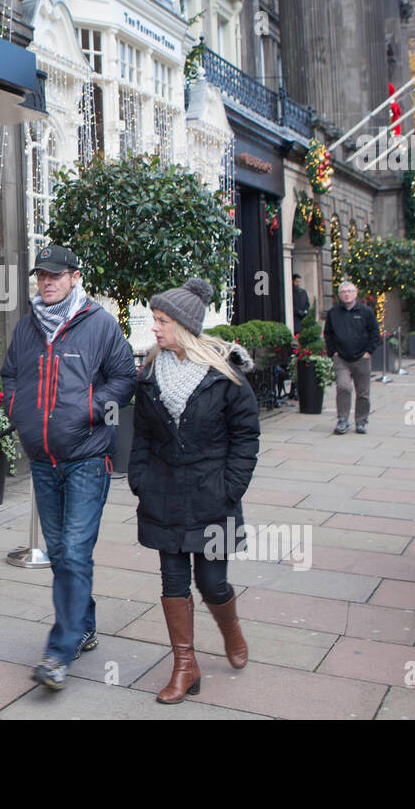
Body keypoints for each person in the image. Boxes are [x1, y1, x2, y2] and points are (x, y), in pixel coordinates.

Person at [0, 244, 138, 690]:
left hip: (87, 459)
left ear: (75, 277)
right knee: (62, 554)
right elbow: (9, 375)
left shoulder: (99, 325)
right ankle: (85, 625)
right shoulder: (26, 328)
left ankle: (59, 653)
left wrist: (91, 411)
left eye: (55, 275)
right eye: (41, 275)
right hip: (43, 460)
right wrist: (16, 408)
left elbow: (125, 379)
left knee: (74, 552)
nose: (47, 282)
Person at [128, 279, 260, 703]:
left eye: (162, 321)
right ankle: (185, 666)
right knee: (172, 580)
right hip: (162, 493)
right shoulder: (149, 373)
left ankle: (231, 632)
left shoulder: (225, 375)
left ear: (184, 326)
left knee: (212, 582)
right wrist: (140, 479)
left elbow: (246, 437)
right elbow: (143, 435)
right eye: (155, 320)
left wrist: (231, 486)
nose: (155, 328)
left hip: (212, 494)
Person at [323, 281, 381, 434]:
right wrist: (333, 352)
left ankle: (361, 421)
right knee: (343, 387)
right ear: (339, 295)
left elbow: (375, 333)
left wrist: (368, 352)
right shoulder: (333, 313)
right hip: (341, 358)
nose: (346, 294)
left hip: (362, 358)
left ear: (355, 294)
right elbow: (328, 334)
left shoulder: (366, 312)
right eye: (343, 291)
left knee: (363, 392)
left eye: (349, 291)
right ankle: (343, 419)